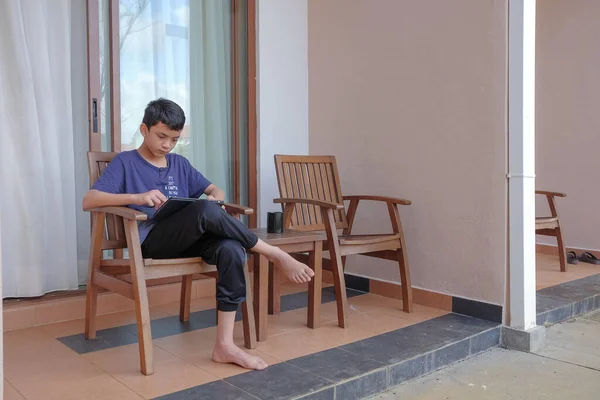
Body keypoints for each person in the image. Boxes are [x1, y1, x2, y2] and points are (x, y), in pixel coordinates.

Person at [82, 98, 314, 371]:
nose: (167, 145)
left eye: (174, 139)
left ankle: (224, 345)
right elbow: (89, 200)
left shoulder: (179, 164)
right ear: (144, 129)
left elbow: (217, 191)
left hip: (188, 239)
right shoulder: (125, 162)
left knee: (231, 249)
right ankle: (274, 253)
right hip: (152, 241)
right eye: (161, 136)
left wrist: (216, 199)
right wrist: (138, 197)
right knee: (205, 211)